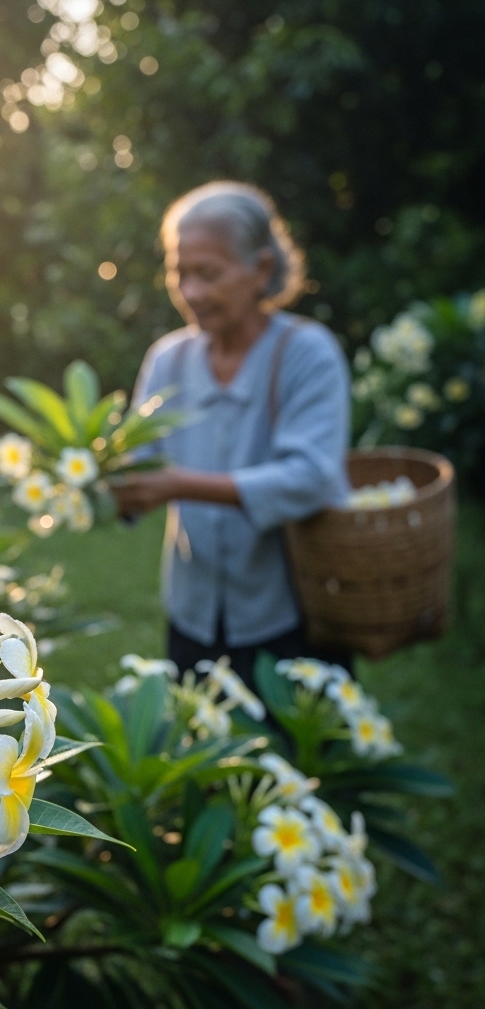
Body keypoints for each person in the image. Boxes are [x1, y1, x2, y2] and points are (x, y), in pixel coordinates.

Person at [111, 181, 351, 684]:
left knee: (291, 757)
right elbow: (138, 465)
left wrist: (178, 485)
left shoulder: (306, 353)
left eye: (209, 273)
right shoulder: (167, 360)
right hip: (192, 612)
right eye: (180, 273)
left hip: (286, 612)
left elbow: (311, 477)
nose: (192, 292)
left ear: (261, 269)